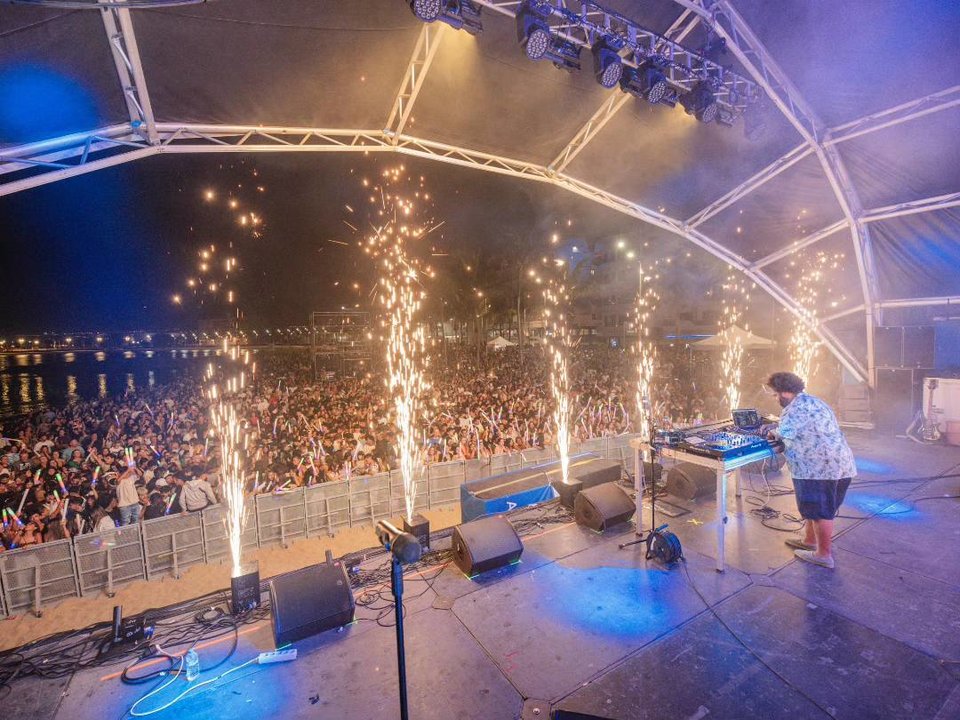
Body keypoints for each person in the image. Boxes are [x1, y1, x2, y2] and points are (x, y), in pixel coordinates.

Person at [763, 371, 856, 569]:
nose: (775, 398)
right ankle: (809, 542)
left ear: (785, 393)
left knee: (821, 511)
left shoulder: (793, 409)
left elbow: (785, 432)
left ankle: (823, 555)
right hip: (841, 466)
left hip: (817, 469)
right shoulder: (816, 401)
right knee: (817, 509)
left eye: (775, 394)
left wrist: (770, 431)